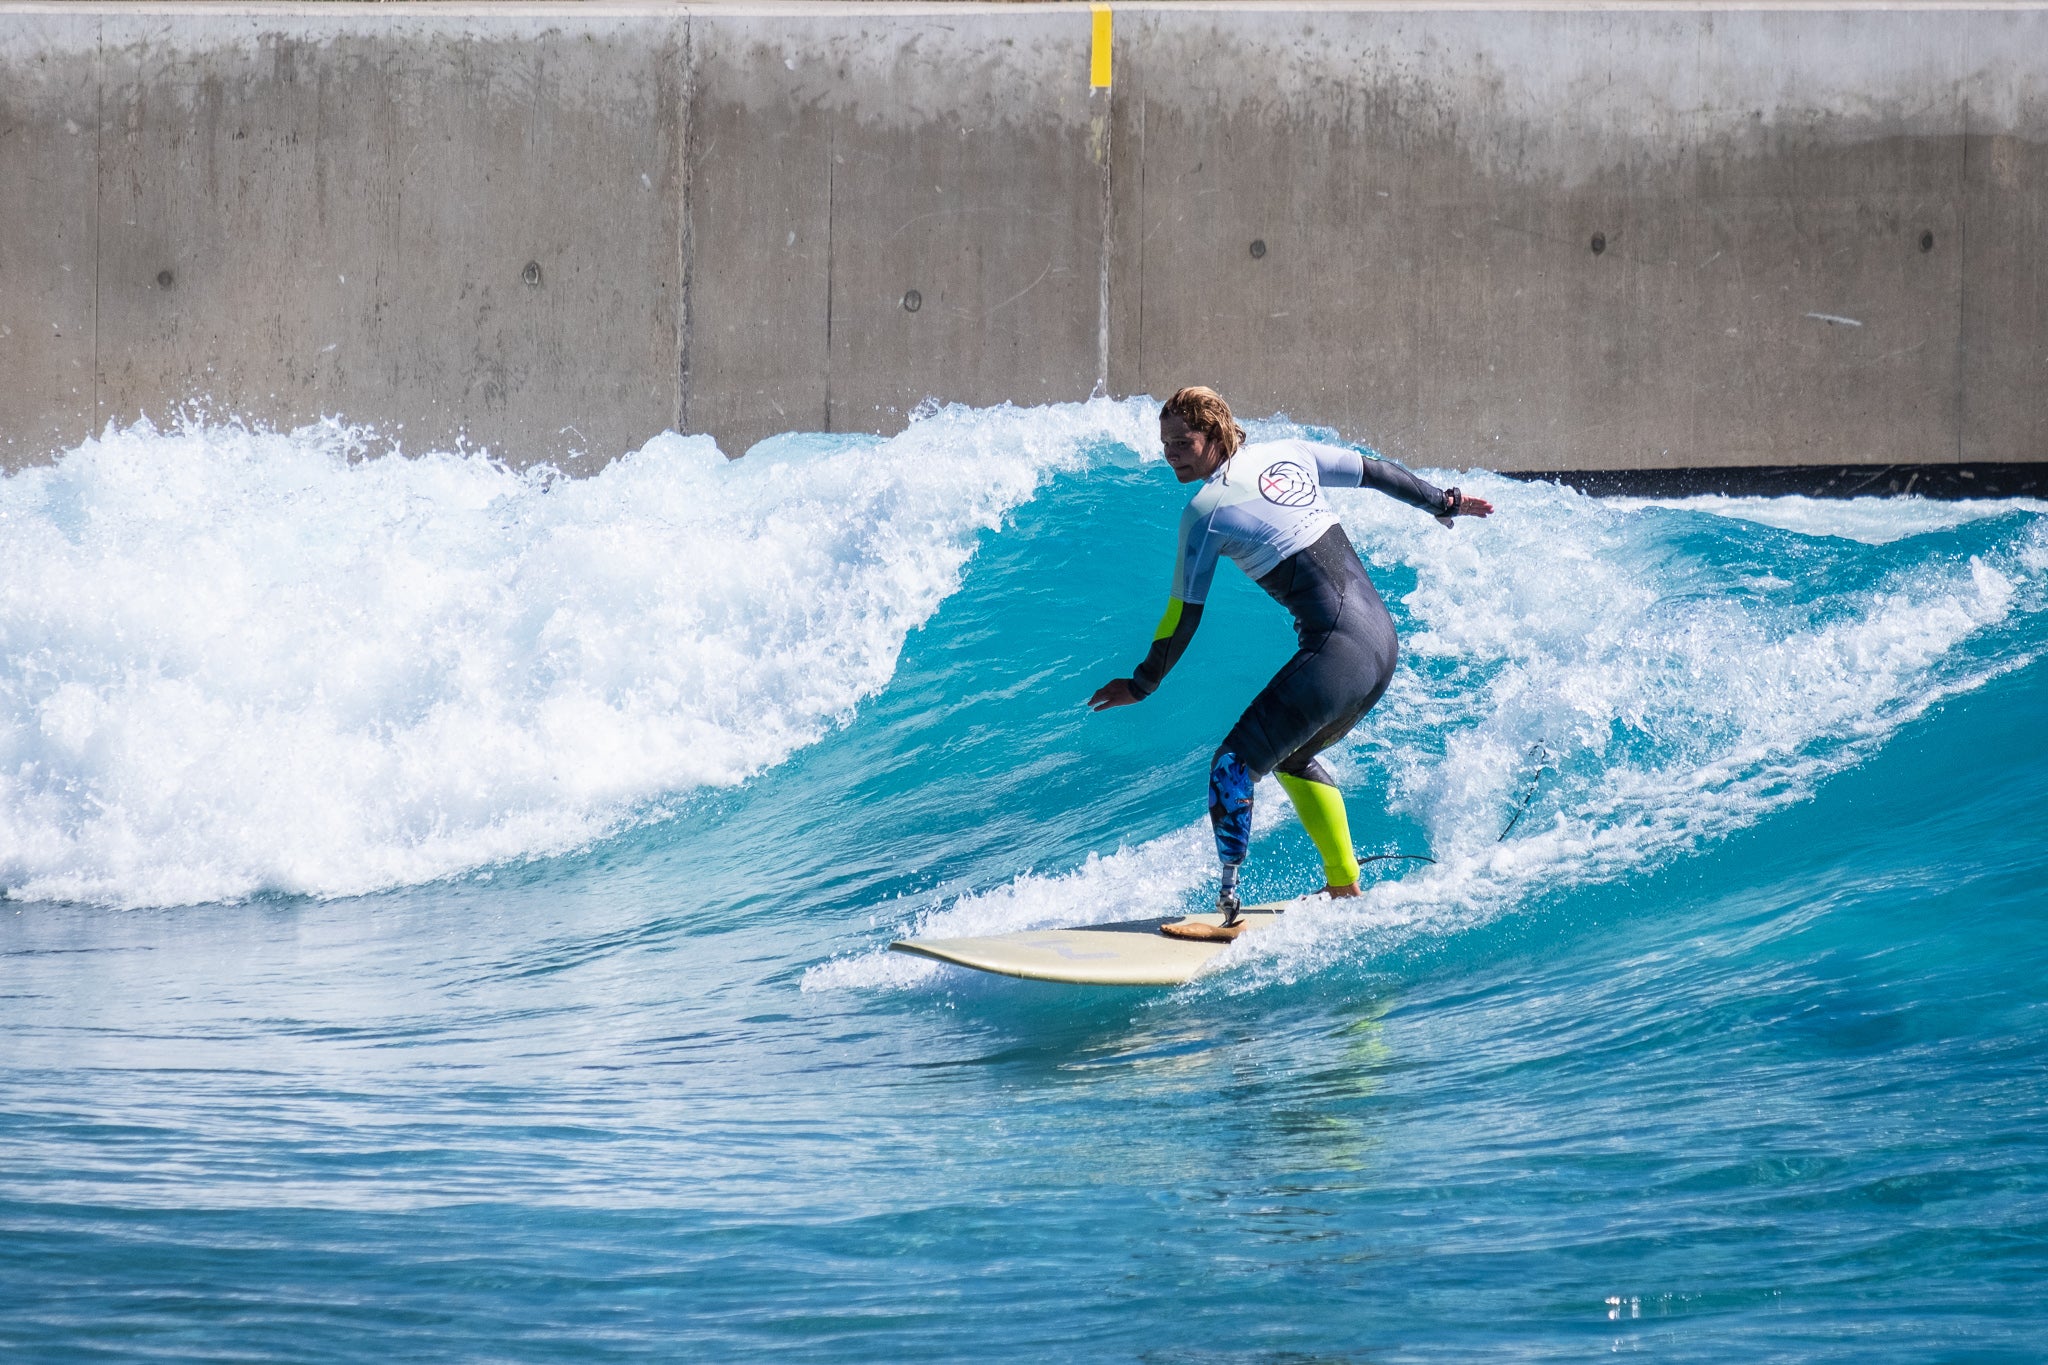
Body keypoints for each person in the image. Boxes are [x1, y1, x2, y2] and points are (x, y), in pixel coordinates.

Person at [1089, 387, 1492, 941]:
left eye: (1183, 442)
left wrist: (1143, 683)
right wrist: (1441, 502)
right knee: (1292, 755)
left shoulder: (1205, 511)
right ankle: (1344, 885)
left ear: (1216, 435)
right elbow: (1374, 472)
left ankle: (1228, 908)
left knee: (1234, 763)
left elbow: (1183, 614)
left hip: (1338, 646)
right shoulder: (1289, 453)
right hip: (1379, 643)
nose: (1172, 454)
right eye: (1165, 444)